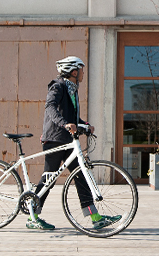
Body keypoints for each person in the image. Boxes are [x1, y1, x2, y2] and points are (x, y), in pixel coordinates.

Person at [26, 56, 120, 231]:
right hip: (55, 139)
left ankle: (95, 218)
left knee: (81, 177)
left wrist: (84, 125)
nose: (84, 73)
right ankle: (33, 216)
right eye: (82, 70)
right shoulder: (58, 86)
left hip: (68, 141)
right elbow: (50, 108)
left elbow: (71, 118)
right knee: (49, 179)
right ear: (74, 72)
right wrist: (64, 124)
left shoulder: (73, 90)